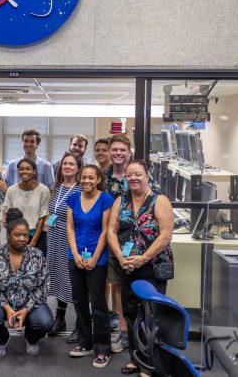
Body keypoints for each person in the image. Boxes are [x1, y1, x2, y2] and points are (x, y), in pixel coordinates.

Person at [107, 159, 174, 376]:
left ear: (147, 176)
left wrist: (143, 258)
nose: (133, 178)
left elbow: (165, 235)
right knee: (130, 315)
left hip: (152, 267)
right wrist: (120, 257)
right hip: (127, 267)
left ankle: (150, 365)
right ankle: (136, 359)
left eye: (138, 174)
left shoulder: (159, 200)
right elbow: (111, 231)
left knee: (151, 315)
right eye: (129, 175)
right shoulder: (121, 201)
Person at [0, 208, 54, 358]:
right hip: (3, 302)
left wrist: (26, 309)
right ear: (8, 235)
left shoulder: (37, 255)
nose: (22, 239)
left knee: (46, 322)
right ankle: (1, 339)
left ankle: (31, 338)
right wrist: (7, 308)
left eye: (25, 235)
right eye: (17, 234)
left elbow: (44, 285)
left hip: (30, 303)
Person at [67, 164, 115, 368]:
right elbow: (70, 227)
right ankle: (84, 342)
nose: (86, 181)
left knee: (98, 304)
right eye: (83, 177)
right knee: (79, 301)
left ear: (98, 180)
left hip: (98, 259)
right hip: (75, 256)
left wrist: (95, 257)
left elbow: (105, 231)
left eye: (90, 178)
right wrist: (75, 254)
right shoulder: (73, 199)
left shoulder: (106, 199)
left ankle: (103, 348)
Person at [46, 152, 82, 337]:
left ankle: (80, 324)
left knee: (72, 281)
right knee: (60, 279)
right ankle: (60, 319)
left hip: (71, 239)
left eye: (71, 164)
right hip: (55, 239)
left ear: (78, 168)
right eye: (65, 164)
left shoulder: (81, 190)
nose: (67, 167)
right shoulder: (57, 187)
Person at [104, 133, 133, 350]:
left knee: (127, 285)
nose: (118, 153)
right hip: (108, 235)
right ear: (109, 152)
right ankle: (115, 327)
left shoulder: (137, 174)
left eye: (122, 150)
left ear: (129, 153)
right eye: (114, 149)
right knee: (112, 282)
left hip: (132, 238)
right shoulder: (103, 178)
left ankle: (127, 329)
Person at [0, 157, 50, 255]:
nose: (24, 171)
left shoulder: (43, 190)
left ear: (34, 171)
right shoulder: (11, 190)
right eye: (21, 169)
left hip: (37, 236)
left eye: (28, 169)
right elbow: (8, 216)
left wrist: (33, 243)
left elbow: (42, 218)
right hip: (16, 237)